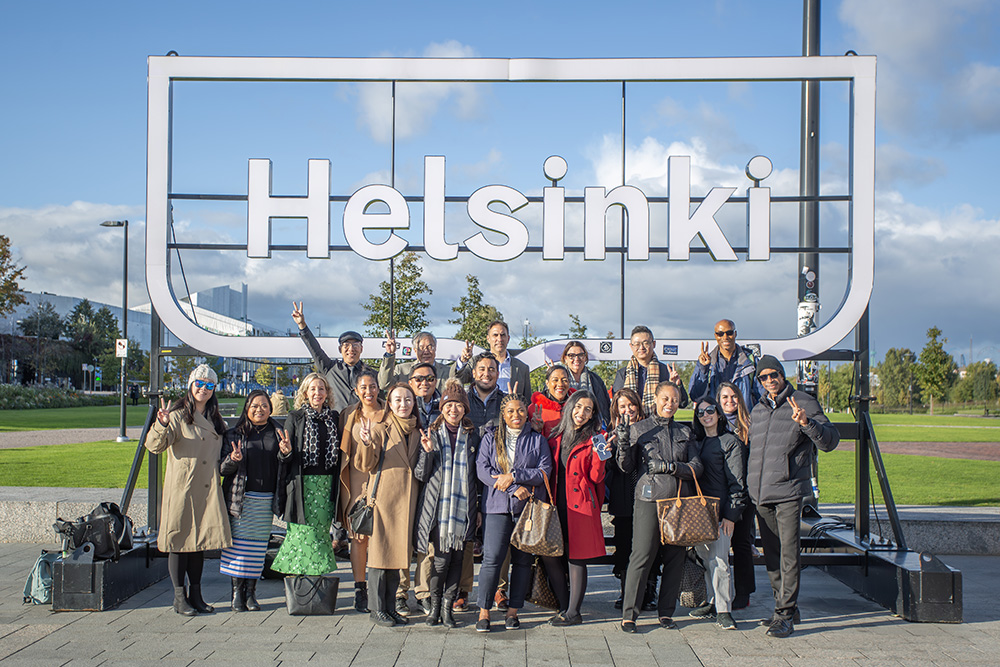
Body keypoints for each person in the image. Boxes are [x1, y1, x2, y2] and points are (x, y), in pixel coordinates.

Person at [748, 355, 839, 638]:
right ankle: (784, 607)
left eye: (773, 375)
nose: (769, 381)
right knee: (772, 553)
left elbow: (830, 441)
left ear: (782, 375)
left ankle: (785, 614)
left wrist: (807, 423)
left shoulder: (802, 401)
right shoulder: (758, 409)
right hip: (761, 494)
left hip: (788, 490)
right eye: (763, 377)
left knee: (789, 553)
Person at [146, 364, 232, 616]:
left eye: (208, 385)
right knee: (179, 541)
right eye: (199, 383)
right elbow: (154, 446)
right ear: (190, 385)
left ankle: (196, 595)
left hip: (206, 488)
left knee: (200, 544)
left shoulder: (217, 420)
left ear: (214, 389)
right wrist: (160, 424)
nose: (203, 389)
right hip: (183, 487)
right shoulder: (175, 415)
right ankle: (179, 596)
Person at [617, 381, 702, 633]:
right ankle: (629, 614)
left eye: (674, 400)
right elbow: (626, 466)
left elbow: (697, 467)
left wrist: (672, 468)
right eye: (665, 399)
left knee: (675, 558)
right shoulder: (639, 429)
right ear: (655, 399)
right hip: (649, 500)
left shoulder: (685, 433)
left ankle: (666, 613)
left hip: (678, 502)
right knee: (641, 556)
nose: (670, 404)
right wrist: (623, 442)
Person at [475, 394, 563, 632]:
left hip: (528, 510)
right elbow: (484, 471)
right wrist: (513, 488)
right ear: (503, 415)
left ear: (528, 412)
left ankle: (513, 612)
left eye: (521, 411)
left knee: (523, 562)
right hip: (496, 508)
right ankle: (484, 612)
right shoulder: (490, 439)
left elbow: (544, 471)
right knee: (492, 560)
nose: (516, 415)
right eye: (511, 411)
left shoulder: (537, 440)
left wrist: (515, 476)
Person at [413, 379, 480, 628]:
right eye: (449, 404)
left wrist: (479, 509)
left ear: (465, 409)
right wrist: (428, 451)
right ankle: (434, 606)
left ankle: (447, 609)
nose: (454, 409)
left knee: (457, 560)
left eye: (458, 405)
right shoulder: (432, 433)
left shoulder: (473, 437)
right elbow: (421, 474)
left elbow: (477, 477)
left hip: (463, 510)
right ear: (442, 408)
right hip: (439, 509)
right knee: (440, 561)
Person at [355, 382, 422, 627]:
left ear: (414, 403)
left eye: (407, 400)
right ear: (390, 404)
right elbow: (365, 465)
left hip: (407, 501)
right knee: (379, 557)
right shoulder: (380, 429)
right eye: (397, 400)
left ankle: (390, 607)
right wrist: (365, 442)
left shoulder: (417, 431)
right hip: (384, 499)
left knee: (396, 558)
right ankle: (376, 608)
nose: (403, 404)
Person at [220, 390, 291, 612]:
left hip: (265, 498)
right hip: (241, 499)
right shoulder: (234, 434)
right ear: (247, 409)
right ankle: (236, 594)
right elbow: (221, 469)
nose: (259, 410)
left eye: (264, 406)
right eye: (254, 406)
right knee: (239, 547)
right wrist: (233, 459)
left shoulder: (278, 433)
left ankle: (251, 593)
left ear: (270, 408)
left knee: (257, 548)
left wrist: (286, 453)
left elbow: (285, 464)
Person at [545, 390, 607, 626]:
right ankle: (564, 605)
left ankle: (573, 612)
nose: (581, 413)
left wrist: (600, 456)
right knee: (550, 555)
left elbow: (596, 477)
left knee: (576, 558)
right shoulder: (555, 435)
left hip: (580, 506)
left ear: (593, 415)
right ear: (570, 406)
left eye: (588, 409)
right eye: (578, 407)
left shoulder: (596, 438)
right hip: (555, 505)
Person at [270, 373, 341, 579]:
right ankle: (300, 576)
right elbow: (285, 456)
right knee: (301, 531)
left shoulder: (334, 418)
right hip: (302, 485)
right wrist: (285, 451)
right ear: (305, 393)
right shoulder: (296, 417)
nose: (317, 393)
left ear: (327, 393)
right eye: (313, 389)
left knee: (319, 533)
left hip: (326, 485)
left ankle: (314, 577)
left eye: (321, 389)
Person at [688, 396, 747, 630]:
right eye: (701, 413)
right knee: (705, 558)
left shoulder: (730, 442)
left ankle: (724, 610)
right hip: (698, 512)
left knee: (720, 560)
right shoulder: (697, 442)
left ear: (719, 413)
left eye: (710, 410)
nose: (705, 415)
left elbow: (738, 482)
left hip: (722, 512)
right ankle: (712, 602)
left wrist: (731, 515)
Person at [337, 369, 387, 613]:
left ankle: (381, 586)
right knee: (358, 538)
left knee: (381, 537)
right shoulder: (349, 414)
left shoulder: (388, 412)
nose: (369, 391)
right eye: (364, 387)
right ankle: (359, 588)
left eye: (373, 386)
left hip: (383, 480)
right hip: (357, 483)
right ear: (356, 391)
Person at [396, 362, 441, 616]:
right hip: (404, 481)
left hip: (432, 481)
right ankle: (400, 593)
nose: (424, 383)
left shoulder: (443, 408)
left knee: (426, 542)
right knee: (403, 538)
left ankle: (423, 592)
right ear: (411, 382)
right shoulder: (402, 406)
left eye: (430, 378)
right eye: (419, 379)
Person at [605, 388, 653, 610]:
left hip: (647, 496)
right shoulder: (611, 433)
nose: (627, 410)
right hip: (623, 499)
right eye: (622, 406)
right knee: (625, 548)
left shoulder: (650, 428)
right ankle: (627, 593)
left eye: (631, 405)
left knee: (649, 547)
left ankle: (649, 592)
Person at [291, 301, 372, 411]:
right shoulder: (330, 368)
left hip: (361, 425)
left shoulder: (370, 374)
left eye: (355, 345)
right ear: (340, 349)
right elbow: (315, 350)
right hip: (335, 424)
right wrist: (302, 325)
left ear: (361, 349)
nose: (351, 349)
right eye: (346, 345)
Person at [718, 380, 755, 610]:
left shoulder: (749, 426)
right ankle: (718, 592)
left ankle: (744, 592)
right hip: (721, 492)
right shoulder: (714, 425)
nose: (729, 401)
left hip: (743, 494)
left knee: (741, 544)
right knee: (719, 546)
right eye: (724, 398)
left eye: (733, 397)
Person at [612, 325, 689, 416]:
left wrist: (676, 386)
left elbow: (682, 403)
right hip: (632, 425)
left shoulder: (666, 371)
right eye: (637, 344)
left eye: (646, 343)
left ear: (654, 344)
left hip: (660, 426)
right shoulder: (623, 374)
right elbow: (617, 405)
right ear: (631, 346)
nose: (641, 347)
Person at [688, 319, 761, 405]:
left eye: (729, 333)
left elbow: (761, 395)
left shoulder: (751, 361)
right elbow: (696, 396)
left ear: (735, 334)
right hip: (716, 417)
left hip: (743, 417)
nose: (725, 337)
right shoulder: (706, 362)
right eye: (720, 334)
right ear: (715, 336)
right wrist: (704, 369)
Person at [458, 320, 530, 405]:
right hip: (481, 414)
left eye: (503, 335)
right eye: (495, 335)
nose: (499, 339)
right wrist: (463, 361)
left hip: (509, 416)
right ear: (488, 338)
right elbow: (457, 380)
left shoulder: (522, 368)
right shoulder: (476, 362)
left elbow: (527, 401)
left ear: (508, 338)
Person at [379, 331, 468, 391]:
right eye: (421, 348)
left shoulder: (448, 372)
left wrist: (463, 360)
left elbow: (458, 385)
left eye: (430, 347)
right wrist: (389, 354)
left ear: (435, 348)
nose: (426, 351)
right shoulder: (402, 370)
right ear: (414, 350)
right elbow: (384, 384)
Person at [560, 341, 611, 426]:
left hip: (593, 427)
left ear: (585, 357)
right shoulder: (559, 380)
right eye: (571, 355)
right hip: (566, 427)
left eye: (580, 355)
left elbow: (605, 406)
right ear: (565, 358)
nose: (576, 359)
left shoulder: (596, 380)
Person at [528, 364, 573, 438]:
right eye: (555, 380)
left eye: (564, 380)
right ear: (547, 383)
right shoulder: (534, 409)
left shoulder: (577, 406)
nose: (560, 384)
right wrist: (537, 430)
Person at [466, 351, 503, 435]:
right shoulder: (463, 401)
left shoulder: (506, 402)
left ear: (497, 375)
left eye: (491, 370)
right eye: (482, 369)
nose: (486, 374)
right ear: (474, 373)